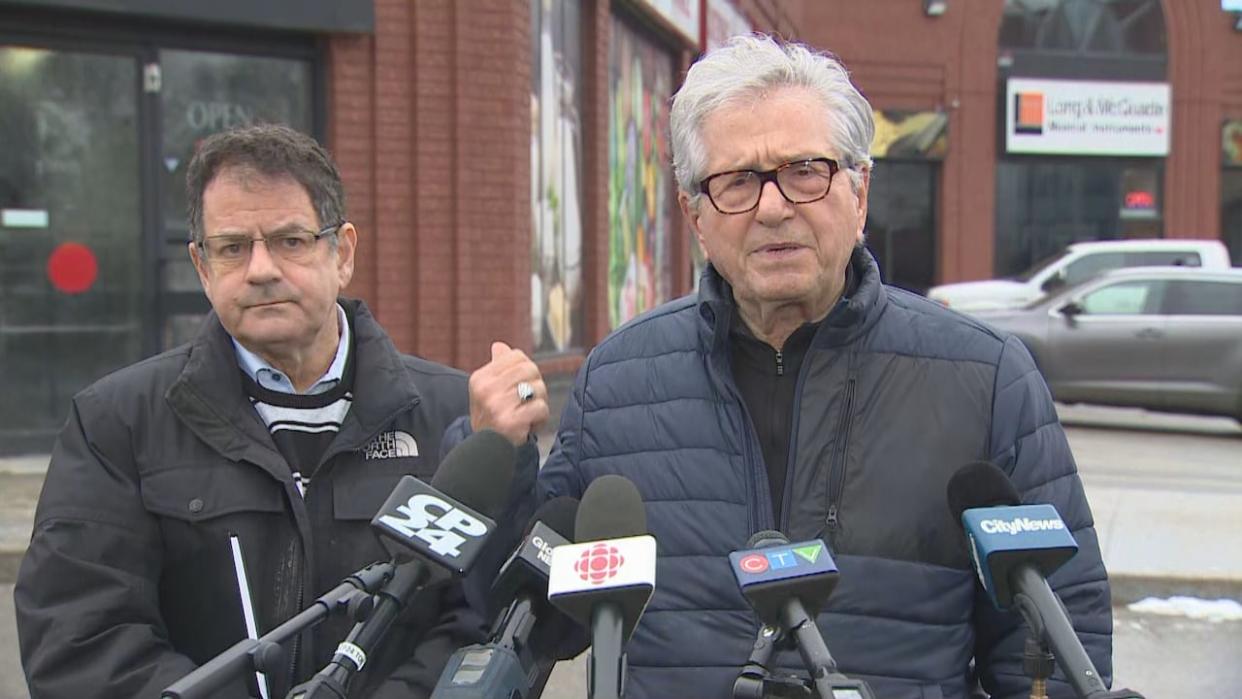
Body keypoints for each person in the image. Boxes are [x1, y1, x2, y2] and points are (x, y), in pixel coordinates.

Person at [537, 35, 1113, 699]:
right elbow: (546, 625)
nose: (774, 206)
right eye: (738, 181)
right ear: (696, 217)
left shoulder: (987, 378)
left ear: (860, 192)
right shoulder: (616, 384)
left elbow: (1054, 647)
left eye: (806, 169)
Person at [14, 124, 549, 699]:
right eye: (233, 247)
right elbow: (79, 637)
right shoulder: (116, 423)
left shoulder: (450, 416)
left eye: (290, 241)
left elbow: (491, 619)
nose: (261, 268)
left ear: (341, 253)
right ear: (202, 266)